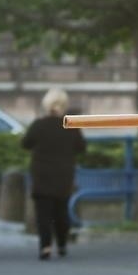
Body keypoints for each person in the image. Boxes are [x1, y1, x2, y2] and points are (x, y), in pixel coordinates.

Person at [22, 88, 86, 260]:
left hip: (42, 174)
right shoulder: (71, 126)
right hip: (63, 174)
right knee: (61, 210)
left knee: (43, 212)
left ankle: (45, 246)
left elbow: (25, 143)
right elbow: (81, 147)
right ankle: (63, 244)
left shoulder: (39, 125)